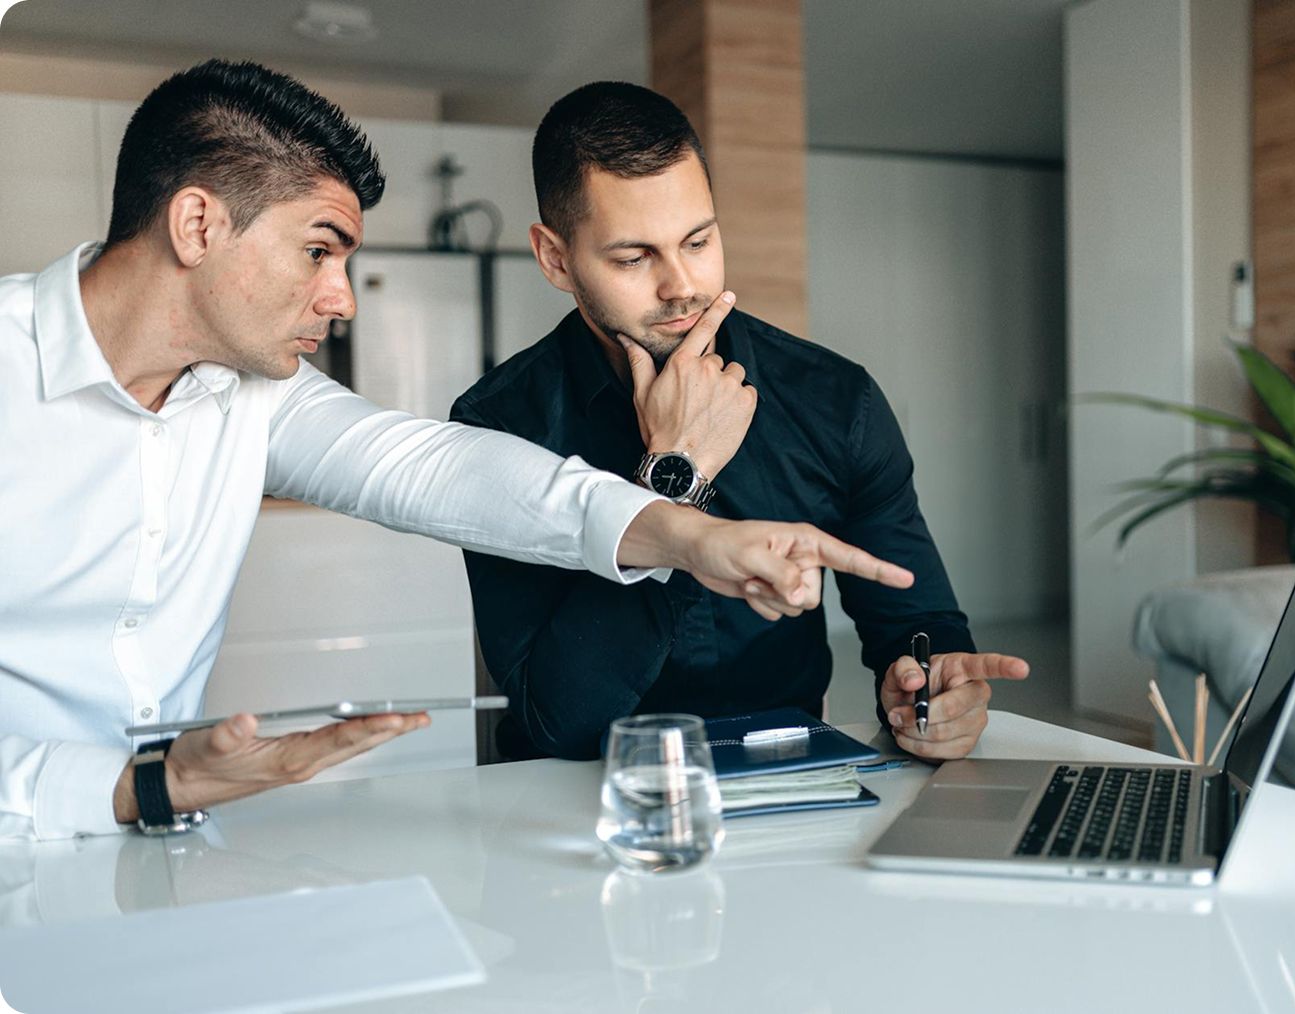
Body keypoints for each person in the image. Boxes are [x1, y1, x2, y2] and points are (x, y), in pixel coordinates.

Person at [0, 61, 913, 842]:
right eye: (318, 251)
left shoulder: (248, 394)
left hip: (150, 840)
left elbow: (438, 469)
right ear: (198, 225)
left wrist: (689, 532)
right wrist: (136, 787)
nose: (342, 298)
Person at [453, 82, 1028, 764]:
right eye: (634, 258)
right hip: (574, 794)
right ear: (555, 258)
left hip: (788, 772)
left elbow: (916, 620)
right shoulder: (499, 425)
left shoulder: (836, 400)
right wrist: (676, 472)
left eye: (698, 240)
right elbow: (557, 720)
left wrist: (927, 688)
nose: (681, 286)